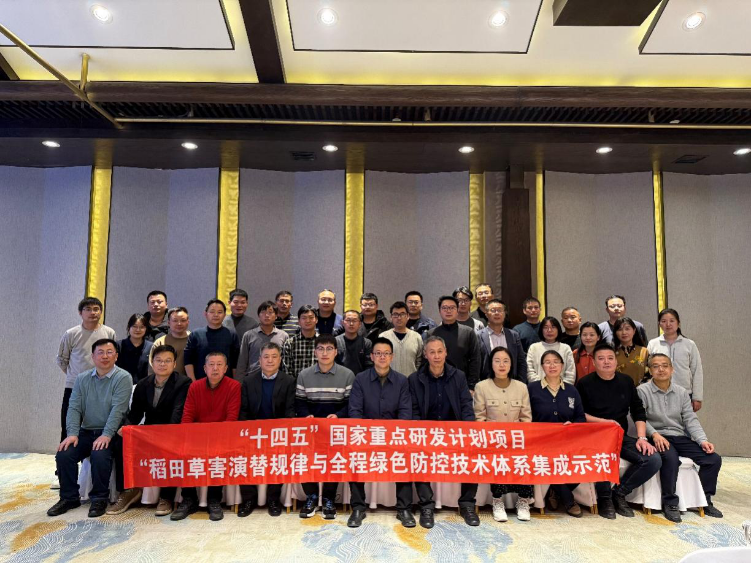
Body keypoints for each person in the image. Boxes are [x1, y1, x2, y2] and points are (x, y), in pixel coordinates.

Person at [47, 339, 132, 518]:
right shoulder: (82, 378)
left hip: (111, 432)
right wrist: (72, 434)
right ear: (93, 357)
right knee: (64, 454)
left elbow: (118, 410)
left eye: (109, 352)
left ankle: (99, 498)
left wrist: (107, 435)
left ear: (116, 356)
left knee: (99, 455)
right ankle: (69, 498)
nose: (105, 356)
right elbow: (74, 407)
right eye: (100, 352)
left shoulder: (123, 377)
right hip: (86, 431)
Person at [576, 344, 661, 520]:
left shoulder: (626, 381)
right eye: (601, 359)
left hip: (619, 436)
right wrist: (605, 422)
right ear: (594, 362)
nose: (606, 362)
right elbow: (578, 414)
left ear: (616, 361)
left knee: (652, 459)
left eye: (610, 358)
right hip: (595, 436)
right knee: (604, 455)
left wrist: (642, 438)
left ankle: (620, 493)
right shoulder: (584, 383)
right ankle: (605, 498)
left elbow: (638, 411)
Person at [107, 344, 190, 517]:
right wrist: (127, 427)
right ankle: (129, 490)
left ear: (174, 364)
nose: (163, 364)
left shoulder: (183, 383)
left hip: (171, 430)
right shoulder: (143, 384)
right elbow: (135, 414)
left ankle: (166, 497)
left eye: (167, 361)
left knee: (170, 447)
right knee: (121, 441)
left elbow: (177, 413)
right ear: (152, 362)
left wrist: (164, 435)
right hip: (148, 431)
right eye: (159, 360)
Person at [638, 354, 722, 522]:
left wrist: (703, 440)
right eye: (655, 366)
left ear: (672, 369)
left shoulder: (681, 392)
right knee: (670, 459)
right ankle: (670, 503)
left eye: (665, 366)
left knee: (713, 459)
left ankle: (704, 499)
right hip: (657, 436)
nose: (661, 369)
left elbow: (690, 419)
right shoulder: (642, 391)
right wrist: (654, 434)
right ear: (650, 370)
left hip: (678, 436)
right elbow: (640, 419)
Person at [409, 336, 479, 528]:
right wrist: (420, 432)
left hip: (454, 433)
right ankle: (426, 506)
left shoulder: (459, 376)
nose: (437, 356)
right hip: (426, 434)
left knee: (473, 454)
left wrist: (467, 431)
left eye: (440, 351)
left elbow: (466, 405)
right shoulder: (415, 379)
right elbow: (414, 410)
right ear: (425, 355)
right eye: (432, 352)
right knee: (417, 455)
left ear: (446, 352)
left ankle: (467, 504)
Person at [347, 338, 414, 528]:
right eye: (378, 353)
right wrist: (366, 434)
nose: (382, 357)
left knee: (405, 455)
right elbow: (355, 411)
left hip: (394, 436)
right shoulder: (360, 379)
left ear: (392, 357)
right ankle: (358, 507)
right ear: (371, 356)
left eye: (386, 353)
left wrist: (393, 435)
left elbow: (405, 412)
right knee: (355, 455)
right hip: (366, 436)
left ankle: (404, 508)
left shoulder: (402, 380)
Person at [171, 352, 241, 522]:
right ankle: (189, 499)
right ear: (204, 368)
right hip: (197, 436)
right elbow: (187, 416)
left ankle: (214, 499)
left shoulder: (234, 386)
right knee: (184, 452)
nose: (215, 368)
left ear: (226, 368)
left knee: (218, 454)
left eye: (219, 365)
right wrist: (188, 438)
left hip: (222, 436)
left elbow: (231, 418)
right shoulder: (195, 387)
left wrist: (215, 437)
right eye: (211, 364)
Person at [54, 297, 116, 489]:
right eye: (88, 309)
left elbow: (111, 356)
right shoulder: (71, 333)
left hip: (102, 387)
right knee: (69, 428)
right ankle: (61, 474)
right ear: (81, 312)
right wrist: (77, 377)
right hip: (75, 387)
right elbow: (62, 360)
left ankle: (87, 473)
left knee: (94, 427)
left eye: (96, 309)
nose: (92, 312)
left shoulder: (109, 332)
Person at [296, 335, 355, 520]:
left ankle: (329, 499)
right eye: (320, 349)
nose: (324, 353)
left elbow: (350, 404)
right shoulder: (304, 375)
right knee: (306, 461)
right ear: (315, 352)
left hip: (335, 429)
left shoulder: (347, 375)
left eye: (329, 349)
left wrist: (338, 416)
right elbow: (300, 402)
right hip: (311, 429)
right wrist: (306, 416)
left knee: (333, 461)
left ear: (336, 352)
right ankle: (311, 497)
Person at [474, 347, 533, 522]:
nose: (502, 365)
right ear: (491, 364)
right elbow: (479, 418)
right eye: (497, 361)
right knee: (498, 457)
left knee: (525, 457)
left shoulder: (521, 387)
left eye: (506, 361)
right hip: (492, 440)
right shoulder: (482, 387)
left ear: (511, 364)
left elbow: (526, 418)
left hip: (517, 440)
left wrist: (517, 438)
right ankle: (497, 500)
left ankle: (523, 500)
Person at [237, 343, 296, 518]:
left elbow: (290, 411)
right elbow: (244, 411)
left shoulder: (289, 381)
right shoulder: (248, 381)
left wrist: (280, 432)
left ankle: (273, 499)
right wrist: (247, 433)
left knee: (279, 458)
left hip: (278, 434)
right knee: (242, 457)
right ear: (259, 360)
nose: (270, 360)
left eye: (274, 356)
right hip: (252, 434)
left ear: (280, 359)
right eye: (266, 357)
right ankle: (248, 500)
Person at [528, 350, 587, 518]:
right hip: (540, 442)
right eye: (547, 362)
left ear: (562, 365)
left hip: (567, 442)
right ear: (542, 367)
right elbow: (526, 416)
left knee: (583, 461)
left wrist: (573, 426)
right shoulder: (532, 388)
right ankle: (569, 500)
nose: (552, 365)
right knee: (551, 461)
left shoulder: (571, 390)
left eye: (556, 362)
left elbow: (580, 417)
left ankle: (554, 490)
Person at [647, 308, 704, 412]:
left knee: (686, 421)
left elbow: (697, 371)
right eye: (664, 321)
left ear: (678, 323)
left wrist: (697, 397)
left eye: (672, 321)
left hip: (685, 393)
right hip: (659, 393)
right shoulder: (653, 344)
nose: (668, 324)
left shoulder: (689, 344)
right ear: (659, 324)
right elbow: (648, 370)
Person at [426, 296, 482, 390]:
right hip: (436, 384)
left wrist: (471, 386)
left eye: (452, 308)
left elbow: (475, 359)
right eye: (445, 308)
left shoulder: (468, 332)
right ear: (439, 311)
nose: (448, 311)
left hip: (462, 384)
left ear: (457, 310)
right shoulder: (431, 334)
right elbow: (426, 361)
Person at [183, 299, 240, 381]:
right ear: (205, 314)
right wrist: (193, 381)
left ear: (224, 315)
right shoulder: (196, 334)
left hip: (226, 382)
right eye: (212, 312)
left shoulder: (231, 334)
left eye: (219, 312)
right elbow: (188, 360)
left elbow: (235, 362)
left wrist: (234, 382)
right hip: (200, 381)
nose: (216, 315)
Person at [236, 301, 288, 381]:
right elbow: (242, 362)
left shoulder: (283, 336)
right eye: (263, 312)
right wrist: (240, 383)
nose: (266, 315)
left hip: (277, 379)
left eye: (270, 312)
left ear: (276, 316)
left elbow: (286, 363)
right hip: (253, 379)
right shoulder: (249, 335)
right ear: (259, 315)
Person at [477, 299, 526, 382]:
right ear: (486, 314)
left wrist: (520, 382)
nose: (497, 313)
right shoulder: (478, 336)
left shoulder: (513, 335)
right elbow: (474, 363)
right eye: (493, 310)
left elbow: (521, 361)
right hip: (486, 383)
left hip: (511, 382)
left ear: (504, 314)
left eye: (500, 310)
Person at [526, 317, 576, 385]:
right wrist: (540, 386)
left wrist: (561, 387)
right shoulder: (534, 348)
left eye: (553, 327)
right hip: (538, 388)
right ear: (541, 330)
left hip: (562, 389)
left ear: (558, 329)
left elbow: (571, 373)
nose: (549, 330)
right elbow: (529, 371)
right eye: (545, 327)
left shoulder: (566, 348)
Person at [381, 301, 424, 377]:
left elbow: (419, 362)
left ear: (408, 316)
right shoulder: (383, 337)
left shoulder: (416, 337)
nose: (399, 318)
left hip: (411, 381)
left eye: (402, 314)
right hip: (388, 381)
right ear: (391, 317)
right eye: (395, 315)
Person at [149, 307, 191, 376]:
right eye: (175, 320)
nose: (179, 323)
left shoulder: (194, 340)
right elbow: (152, 367)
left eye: (183, 320)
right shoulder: (160, 342)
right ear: (169, 323)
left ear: (188, 322)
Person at [282, 305, 319, 380]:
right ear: (299, 321)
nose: (307, 321)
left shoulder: (323, 342)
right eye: (304, 318)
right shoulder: (290, 343)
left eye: (311, 317)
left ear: (316, 320)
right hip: (296, 385)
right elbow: (286, 370)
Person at [116, 313, 153, 384]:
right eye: (134, 326)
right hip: (122, 385)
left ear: (146, 329)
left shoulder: (151, 347)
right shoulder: (119, 345)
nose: (138, 330)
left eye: (142, 327)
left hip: (144, 386)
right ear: (129, 327)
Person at [335, 310, 373, 376]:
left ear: (360, 324)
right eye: (348, 320)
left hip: (361, 379)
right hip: (340, 379)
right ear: (342, 323)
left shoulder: (366, 343)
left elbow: (369, 366)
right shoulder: (336, 341)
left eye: (355, 320)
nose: (351, 324)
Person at [614, 317, 649, 386]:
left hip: (640, 390)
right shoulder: (612, 353)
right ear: (615, 332)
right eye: (620, 329)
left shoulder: (644, 351)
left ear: (634, 330)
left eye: (627, 329)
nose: (624, 332)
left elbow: (649, 374)